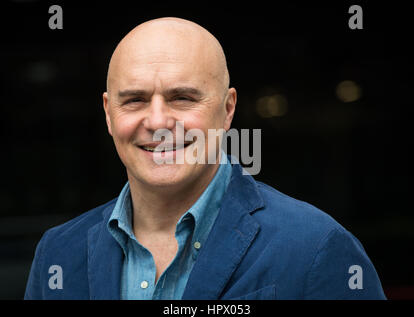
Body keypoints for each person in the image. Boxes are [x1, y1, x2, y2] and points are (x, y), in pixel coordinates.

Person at [24, 17, 386, 300]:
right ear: (108, 113)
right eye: (134, 99)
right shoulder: (57, 253)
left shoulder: (317, 246)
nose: (158, 122)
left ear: (228, 110)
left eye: (182, 97)